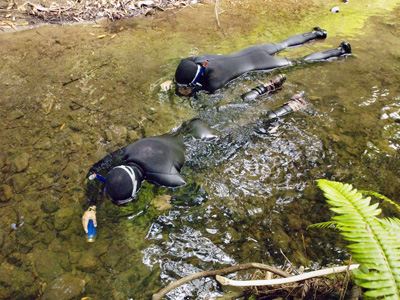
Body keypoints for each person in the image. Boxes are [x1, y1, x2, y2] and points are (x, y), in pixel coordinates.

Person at [81, 91, 308, 233]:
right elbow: (95, 172)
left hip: (206, 143)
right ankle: (265, 89)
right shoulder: (127, 153)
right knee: (230, 111)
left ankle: (291, 106)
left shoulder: (166, 177)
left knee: (252, 130)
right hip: (190, 127)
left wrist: (170, 199)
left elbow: (199, 196)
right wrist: (91, 207)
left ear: (139, 188)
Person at [161, 27, 351, 97]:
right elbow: (184, 63)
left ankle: (341, 50)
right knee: (283, 43)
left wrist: (188, 94)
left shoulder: (213, 83)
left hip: (260, 65)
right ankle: (318, 34)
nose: (182, 89)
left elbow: (206, 94)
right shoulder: (198, 61)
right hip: (252, 51)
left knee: (298, 62)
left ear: (195, 83)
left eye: (184, 87)